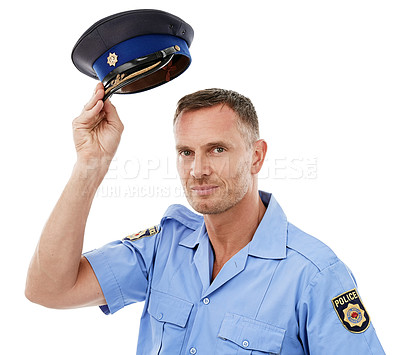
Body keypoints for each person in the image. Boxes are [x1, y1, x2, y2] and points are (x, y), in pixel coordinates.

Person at [25, 83, 385, 354]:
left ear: (256, 157)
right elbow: (48, 289)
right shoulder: (163, 247)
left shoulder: (315, 275)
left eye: (217, 149)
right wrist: (90, 165)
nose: (197, 170)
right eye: (186, 152)